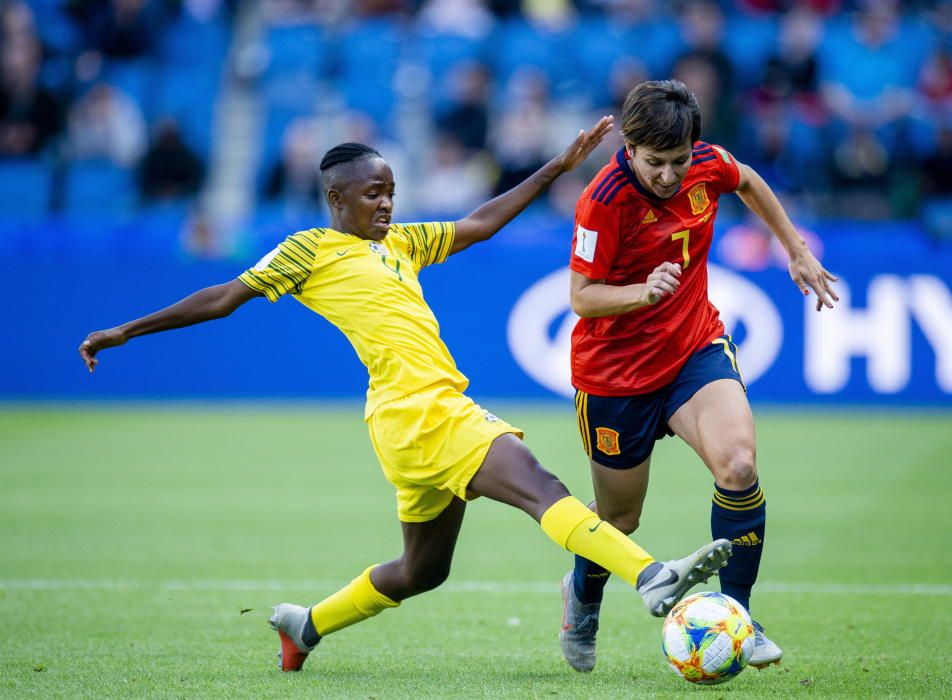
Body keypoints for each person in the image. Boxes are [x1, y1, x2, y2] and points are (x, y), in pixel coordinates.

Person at [79, 116, 732, 673]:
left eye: (391, 191)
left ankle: (305, 626)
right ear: (337, 198)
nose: (387, 204)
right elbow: (222, 297)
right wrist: (127, 330)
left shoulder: (402, 243)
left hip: (407, 424)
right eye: (373, 194)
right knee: (542, 488)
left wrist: (556, 168)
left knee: (423, 571)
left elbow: (478, 224)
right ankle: (651, 575)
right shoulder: (308, 250)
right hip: (423, 411)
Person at [559, 81, 839, 673]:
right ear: (629, 148)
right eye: (654, 162)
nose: (668, 175)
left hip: (693, 348)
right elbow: (582, 298)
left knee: (738, 465)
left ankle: (737, 616)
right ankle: (582, 596)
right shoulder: (602, 201)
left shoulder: (706, 164)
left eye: (678, 161)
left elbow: (751, 182)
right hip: (615, 374)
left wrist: (793, 247)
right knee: (619, 520)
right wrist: (642, 292)